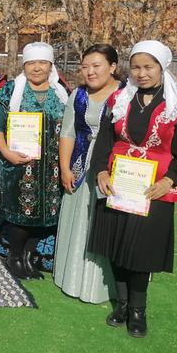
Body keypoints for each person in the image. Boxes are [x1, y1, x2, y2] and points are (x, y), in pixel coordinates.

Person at [89, 40, 177, 338]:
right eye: (136, 67)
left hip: (153, 188)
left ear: (162, 67)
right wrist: (100, 171)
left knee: (140, 253)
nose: (141, 73)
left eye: (148, 67)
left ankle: (138, 310)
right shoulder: (119, 99)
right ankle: (121, 305)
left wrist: (169, 180)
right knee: (117, 247)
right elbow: (104, 141)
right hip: (119, 182)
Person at [0, 41, 69, 279]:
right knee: (22, 215)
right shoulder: (12, 90)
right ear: (24, 65)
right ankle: (14, 256)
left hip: (51, 169)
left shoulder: (61, 93)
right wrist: (5, 152)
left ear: (50, 65)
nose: (37, 68)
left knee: (44, 216)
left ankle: (28, 258)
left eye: (42, 62)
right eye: (31, 63)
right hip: (19, 165)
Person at [54, 44, 122, 303]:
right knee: (79, 218)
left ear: (112, 67)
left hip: (112, 168)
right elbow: (68, 133)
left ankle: (105, 286)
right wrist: (65, 168)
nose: (90, 72)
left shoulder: (127, 95)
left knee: (105, 222)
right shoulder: (79, 96)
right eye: (85, 67)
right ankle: (71, 277)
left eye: (97, 66)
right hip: (81, 165)